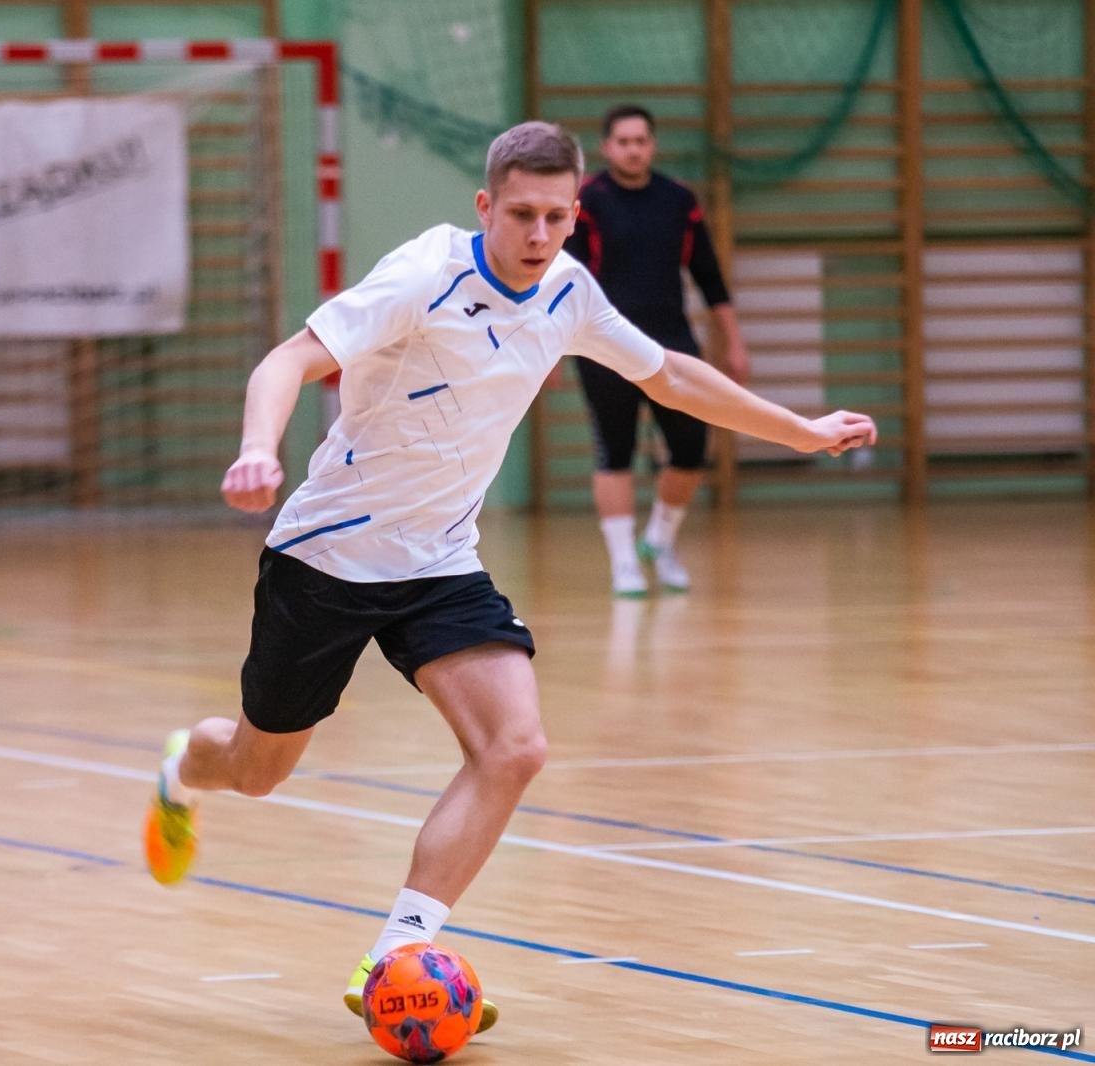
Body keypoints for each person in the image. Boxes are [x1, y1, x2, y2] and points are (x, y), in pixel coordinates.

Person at [143, 120, 873, 1036]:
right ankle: (181, 770)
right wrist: (258, 450)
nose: (539, 235)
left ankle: (398, 955)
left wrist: (799, 430)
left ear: (575, 215)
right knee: (255, 770)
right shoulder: (424, 276)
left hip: (441, 560)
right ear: (486, 206)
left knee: (516, 747)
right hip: (327, 558)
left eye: (557, 217)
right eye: (521, 214)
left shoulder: (567, 288)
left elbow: (671, 376)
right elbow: (289, 358)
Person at [563, 104, 751, 596]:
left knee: (691, 448)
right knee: (615, 451)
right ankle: (623, 562)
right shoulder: (588, 201)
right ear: (607, 147)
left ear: (653, 144)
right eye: (623, 141)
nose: (633, 148)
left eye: (641, 140)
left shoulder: (678, 201)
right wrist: (549, 349)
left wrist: (733, 340)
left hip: (672, 345)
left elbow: (709, 276)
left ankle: (659, 540)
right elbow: (563, 282)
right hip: (604, 346)